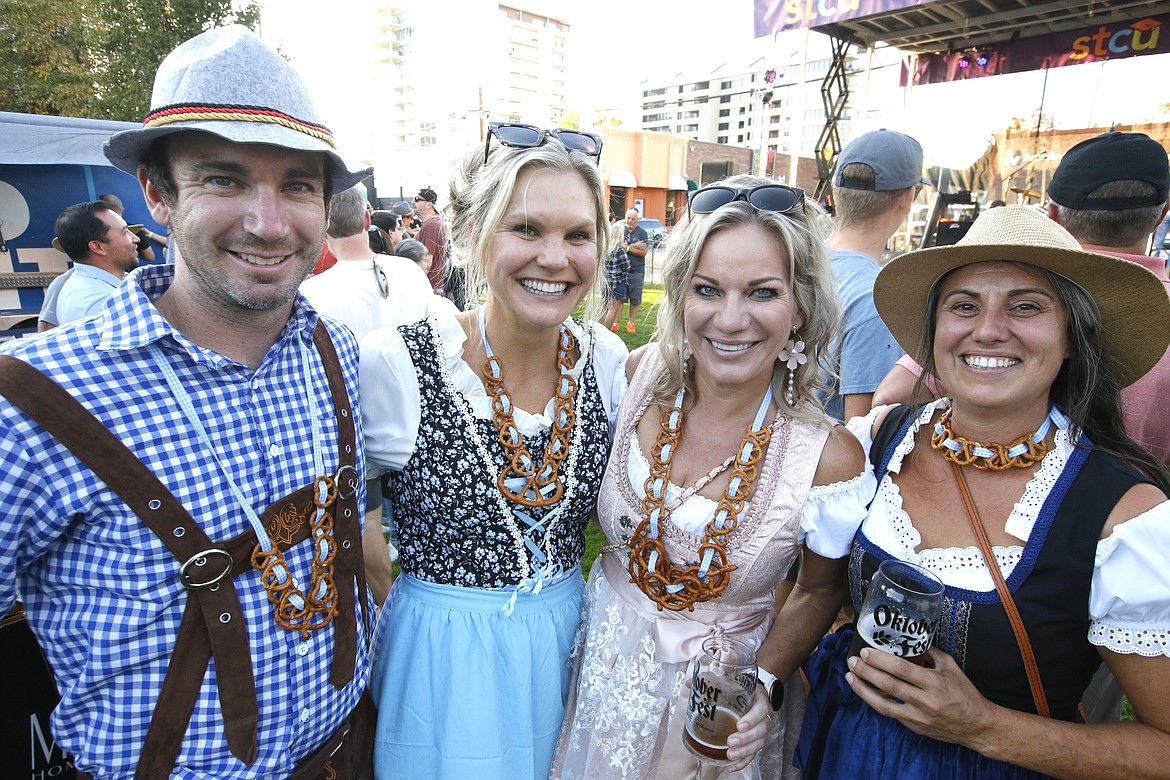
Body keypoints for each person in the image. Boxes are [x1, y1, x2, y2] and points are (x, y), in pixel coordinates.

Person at [0, 25, 376, 778]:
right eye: (224, 179)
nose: (269, 223)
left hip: (349, 758)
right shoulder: (31, 403)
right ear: (158, 194)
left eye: (298, 184)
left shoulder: (336, 354)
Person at [796, 205, 1170, 779]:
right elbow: (808, 585)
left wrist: (983, 726)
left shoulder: (1123, 516)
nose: (988, 329)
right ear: (935, 334)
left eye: (1025, 306)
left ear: (1072, 336)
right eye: (964, 305)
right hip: (841, 747)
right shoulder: (878, 438)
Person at [552, 175, 874, 780]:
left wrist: (768, 680)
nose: (730, 320)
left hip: (721, 706)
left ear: (800, 308)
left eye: (762, 293)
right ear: (680, 296)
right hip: (603, 667)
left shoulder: (829, 459)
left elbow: (818, 589)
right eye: (708, 289)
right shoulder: (639, 375)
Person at [359, 124, 627, 779]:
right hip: (444, 661)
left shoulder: (608, 361)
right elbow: (350, 512)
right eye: (527, 229)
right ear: (476, 232)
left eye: (577, 235)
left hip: (570, 642)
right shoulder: (396, 361)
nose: (555, 258)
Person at [300, 184, 448, 602]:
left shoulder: (312, 293)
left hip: (357, 427)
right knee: (415, 520)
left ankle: (386, 607)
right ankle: (409, 600)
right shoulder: (408, 274)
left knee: (368, 524)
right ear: (367, 220)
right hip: (419, 416)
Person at [819, 128, 926, 420]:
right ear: (908, 197)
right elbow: (862, 434)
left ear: (836, 193)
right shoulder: (875, 299)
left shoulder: (795, 264)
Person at [51, 200, 141, 325]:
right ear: (98, 247)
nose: (136, 238)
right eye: (125, 232)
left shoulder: (90, 287)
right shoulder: (102, 301)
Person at [609, 207, 649, 333]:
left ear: (637, 220)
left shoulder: (642, 233)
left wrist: (627, 247)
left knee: (635, 298)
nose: (630, 221)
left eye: (633, 219)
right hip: (621, 273)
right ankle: (614, 322)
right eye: (628, 218)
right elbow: (615, 246)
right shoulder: (621, 230)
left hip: (636, 271)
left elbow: (643, 252)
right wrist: (633, 247)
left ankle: (631, 323)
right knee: (619, 299)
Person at [98, 192, 163, 261]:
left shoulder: (95, 232)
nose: (135, 239)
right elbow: (150, 257)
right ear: (122, 210)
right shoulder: (135, 230)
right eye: (125, 232)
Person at [413, 186, 448, 293]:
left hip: (429, 287)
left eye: (417, 199)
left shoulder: (431, 225)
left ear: (429, 204)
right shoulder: (434, 223)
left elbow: (427, 260)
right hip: (432, 286)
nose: (413, 202)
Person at [602, 215, 630, 329]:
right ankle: (607, 331)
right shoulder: (620, 249)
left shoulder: (605, 248)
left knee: (604, 308)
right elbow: (626, 266)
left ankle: (598, 328)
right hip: (618, 282)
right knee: (613, 308)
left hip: (606, 282)